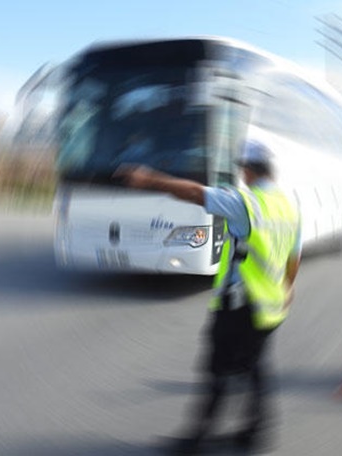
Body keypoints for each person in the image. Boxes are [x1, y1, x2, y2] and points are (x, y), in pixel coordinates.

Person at [115, 139, 301, 454]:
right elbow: (292, 260)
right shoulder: (287, 205)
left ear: (247, 169)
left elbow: (195, 193)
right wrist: (286, 290)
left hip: (240, 305)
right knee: (255, 367)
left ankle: (197, 439)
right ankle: (256, 434)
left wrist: (148, 180)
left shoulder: (247, 203)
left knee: (217, 370)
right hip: (271, 305)